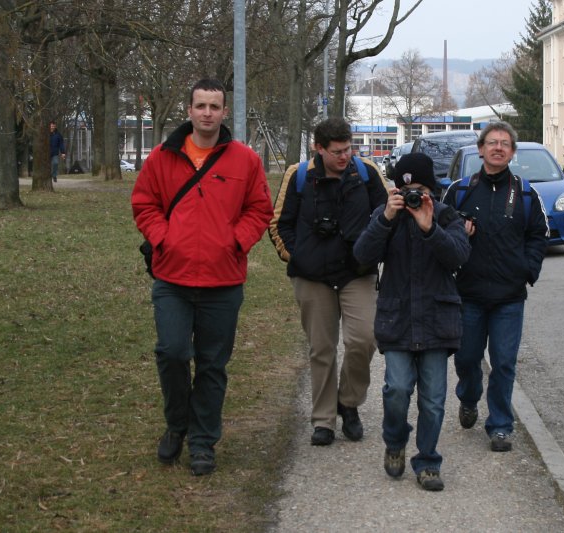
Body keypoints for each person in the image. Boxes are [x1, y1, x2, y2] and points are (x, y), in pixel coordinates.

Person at [131, 78, 273, 476]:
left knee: (212, 364)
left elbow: (260, 209)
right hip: (172, 279)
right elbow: (144, 203)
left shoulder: (245, 160)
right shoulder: (162, 157)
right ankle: (176, 425)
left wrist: (235, 242)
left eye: (214, 106)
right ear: (189, 110)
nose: (207, 113)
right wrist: (164, 239)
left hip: (222, 282)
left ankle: (203, 441)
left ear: (224, 111)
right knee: (173, 353)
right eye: (201, 106)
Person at [353, 152, 470, 491]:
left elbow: (459, 257)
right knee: (397, 389)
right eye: (406, 191)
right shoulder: (387, 216)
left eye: (419, 190)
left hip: (437, 321)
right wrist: (387, 218)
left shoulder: (447, 217)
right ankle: (394, 440)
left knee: (433, 399)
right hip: (398, 320)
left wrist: (429, 227)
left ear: (431, 189)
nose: (413, 197)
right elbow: (361, 256)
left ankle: (428, 461)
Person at [268, 117, 388, 446]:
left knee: (364, 339)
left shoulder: (366, 174)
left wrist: (373, 253)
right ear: (318, 148)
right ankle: (323, 420)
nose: (344, 156)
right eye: (336, 151)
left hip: (356, 272)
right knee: (322, 349)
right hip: (312, 276)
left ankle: (348, 403)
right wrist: (298, 257)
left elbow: (387, 216)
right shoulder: (300, 176)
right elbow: (279, 224)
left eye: (348, 149)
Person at [443, 121, 548, 453]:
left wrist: (527, 270)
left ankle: (500, 425)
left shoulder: (527, 194)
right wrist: (460, 236)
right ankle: (469, 397)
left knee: (504, 362)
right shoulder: (460, 191)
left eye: (505, 143)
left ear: (512, 152)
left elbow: (538, 236)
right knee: (467, 358)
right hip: (468, 294)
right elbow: (439, 236)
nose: (498, 148)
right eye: (492, 142)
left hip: (509, 297)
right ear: (481, 149)